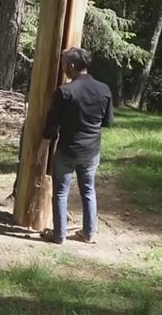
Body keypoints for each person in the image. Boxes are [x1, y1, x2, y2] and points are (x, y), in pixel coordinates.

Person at [39, 47, 113, 244]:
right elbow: (107, 122)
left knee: (61, 192)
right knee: (88, 190)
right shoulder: (104, 89)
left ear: (71, 66)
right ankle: (89, 233)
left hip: (67, 151)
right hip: (91, 152)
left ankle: (59, 235)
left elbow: (52, 124)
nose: (62, 67)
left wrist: (43, 146)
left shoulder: (64, 92)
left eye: (63, 63)